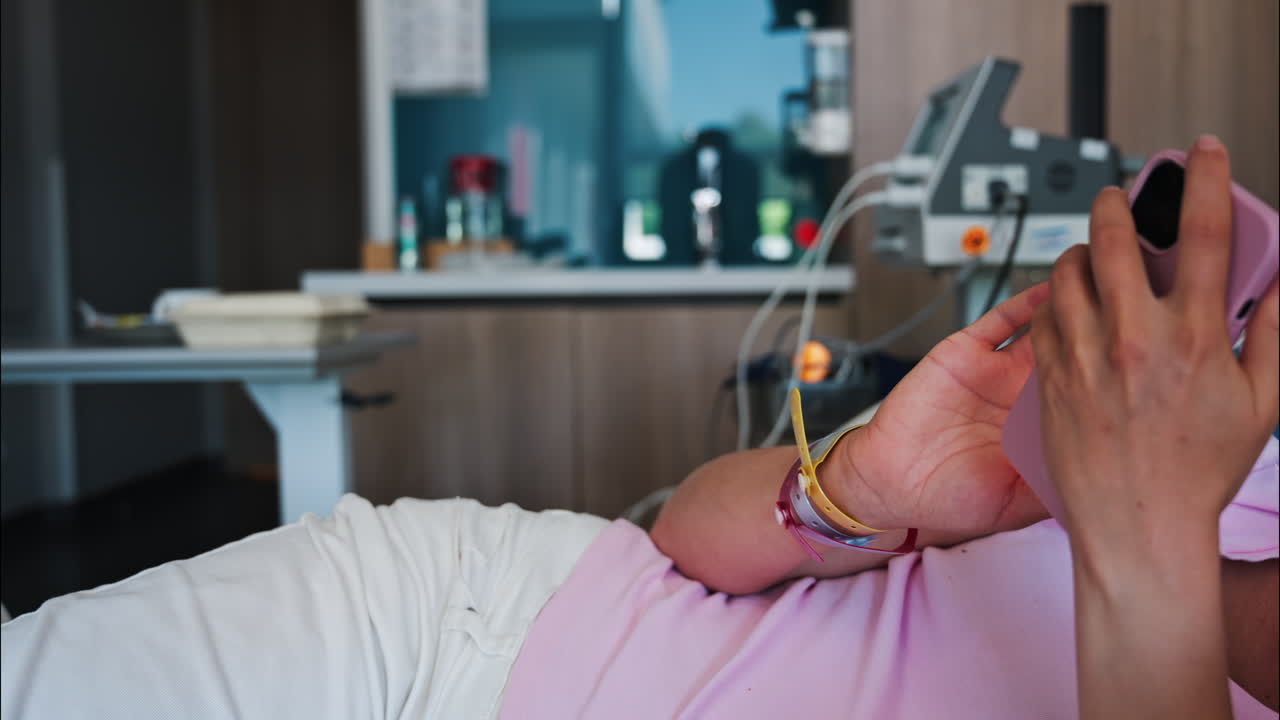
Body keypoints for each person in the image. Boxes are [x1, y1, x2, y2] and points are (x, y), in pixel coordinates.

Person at [1, 137, 1276, 719]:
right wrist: (856, 488)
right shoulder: (1232, 451)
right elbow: (681, 542)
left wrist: (1141, 536)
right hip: (468, 626)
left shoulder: (1160, 480)